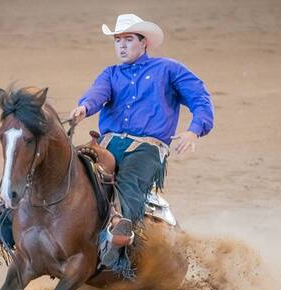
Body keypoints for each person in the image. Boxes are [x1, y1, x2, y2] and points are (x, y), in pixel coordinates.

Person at [69, 13, 214, 268]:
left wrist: (194, 130)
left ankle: (118, 246)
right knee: (74, 172)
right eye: (117, 40)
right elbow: (96, 94)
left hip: (147, 147)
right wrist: (84, 108)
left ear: (144, 42)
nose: (121, 45)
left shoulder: (169, 69)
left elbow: (200, 99)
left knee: (129, 183)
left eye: (128, 39)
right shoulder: (110, 74)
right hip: (108, 143)